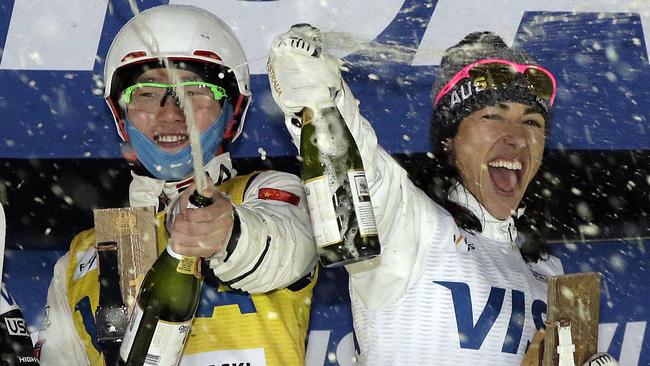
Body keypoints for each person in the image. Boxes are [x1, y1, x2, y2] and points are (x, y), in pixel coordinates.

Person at [37, 5, 317, 366]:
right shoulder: (80, 256)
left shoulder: (270, 194)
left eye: (196, 91)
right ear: (122, 118)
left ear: (232, 114)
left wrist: (229, 233)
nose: (171, 113)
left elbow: (287, 247)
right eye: (147, 93)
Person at [268, 27, 566, 364]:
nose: (516, 137)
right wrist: (317, 97)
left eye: (532, 123)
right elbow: (362, 168)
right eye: (493, 116)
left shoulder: (550, 271)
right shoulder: (412, 228)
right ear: (448, 141)